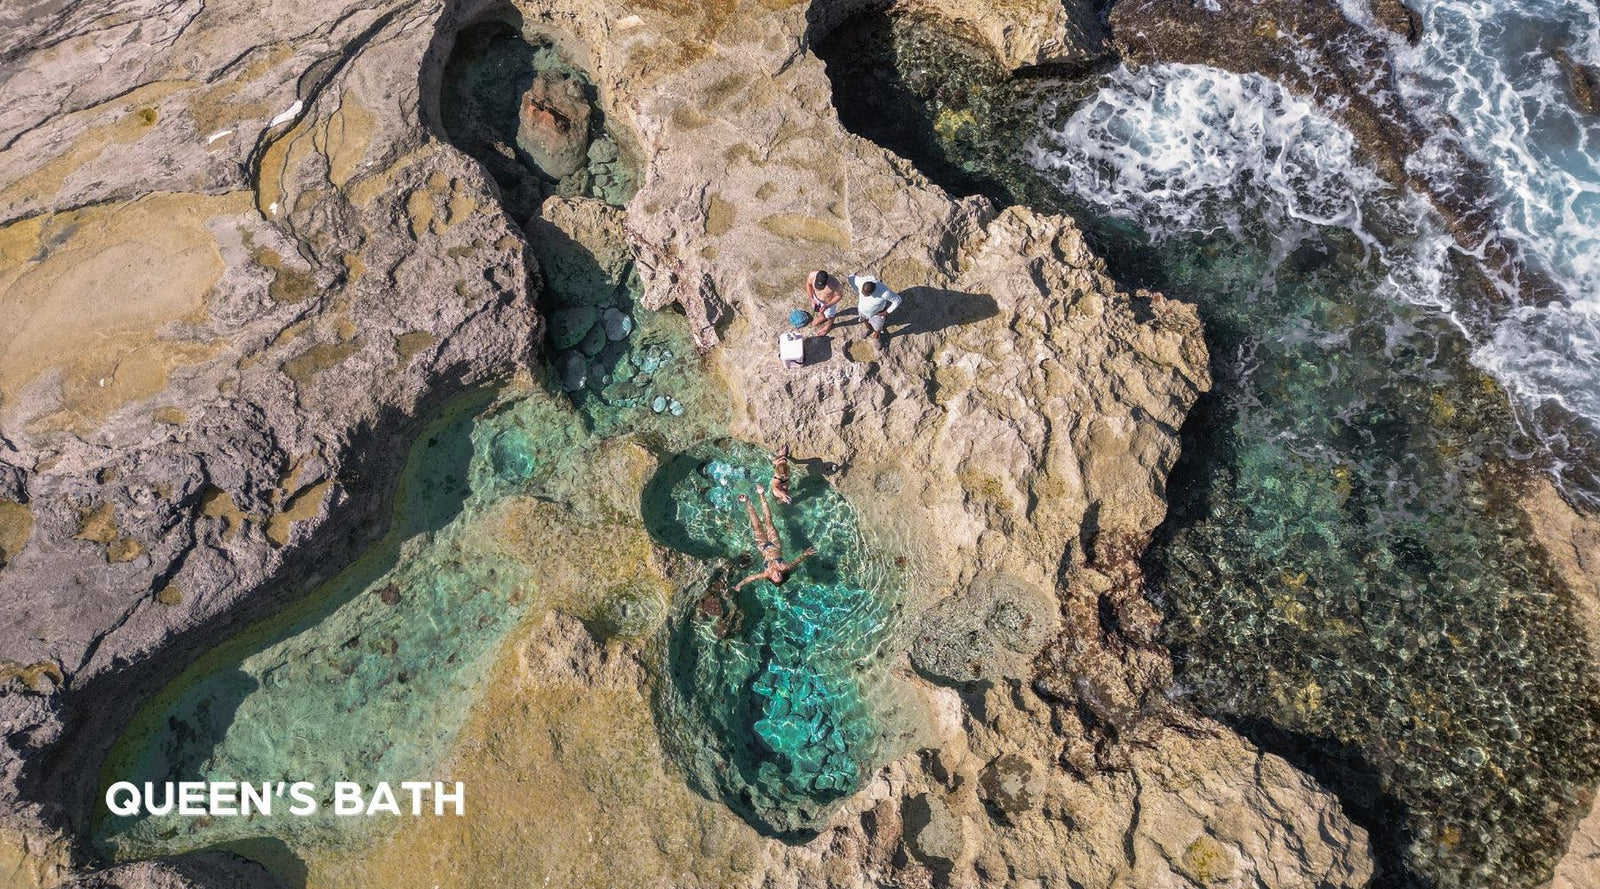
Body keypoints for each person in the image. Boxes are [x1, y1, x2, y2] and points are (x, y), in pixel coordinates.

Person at [734, 484, 816, 590]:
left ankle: (747, 502)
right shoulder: (784, 567)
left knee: (756, 526)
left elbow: (751, 578)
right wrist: (806, 554)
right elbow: (796, 561)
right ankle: (761, 495)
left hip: (763, 546)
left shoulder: (766, 574)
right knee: (768, 522)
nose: (777, 575)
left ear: (771, 578)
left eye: (775, 577)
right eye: (780, 576)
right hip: (775, 544)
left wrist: (740, 584)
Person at [847, 273, 903, 348]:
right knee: (864, 319)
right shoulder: (861, 281)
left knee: (878, 327)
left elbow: (897, 300)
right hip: (862, 309)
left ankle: (876, 337)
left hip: (878, 313)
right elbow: (850, 278)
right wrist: (855, 288)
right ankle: (868, 328)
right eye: (862, 292)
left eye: (866, 294)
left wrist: (887, 312)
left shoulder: (885, 293)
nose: (863, 295)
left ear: (872, 292)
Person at [806, 270, 846, 335]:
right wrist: (812, 298)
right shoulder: (812, 275)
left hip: (828, 303)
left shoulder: (835, 284)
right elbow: (808, 284)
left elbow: (839, 296)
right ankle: (823, 317)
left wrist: (828, 305)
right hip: (816, 299)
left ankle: (828, 326)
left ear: (826, 281)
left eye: (821, 287)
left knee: (830, 316)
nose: (819, 289)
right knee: (819, 310)